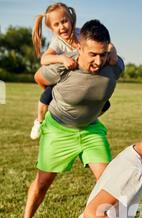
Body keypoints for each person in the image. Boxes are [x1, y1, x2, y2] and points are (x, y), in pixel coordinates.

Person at [13, 20, 124, 218]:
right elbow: (39, 77)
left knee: (108, 182)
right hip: (58, 130)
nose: (98, 60)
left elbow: (114, 59)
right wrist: (60, 96)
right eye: (92, 54)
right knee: (43, 182)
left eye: (103, 54)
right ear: (79, 49)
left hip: (90, 129)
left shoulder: (114, 66)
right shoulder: (64, 68)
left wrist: (114, 52)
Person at [30, 2, 111, 140]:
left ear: (71, 20)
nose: (62, 27)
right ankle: (39, 121)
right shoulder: (58, 42)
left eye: (64, 21)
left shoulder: (81, 33)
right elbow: (44, 59)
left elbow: (103, 42)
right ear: (51, 28)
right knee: (46, 97)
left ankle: (87, 118)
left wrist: (112, 52)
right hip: (64, 79)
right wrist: (62, 58)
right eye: (56, 24)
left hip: (83, 78)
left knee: (105, 103)